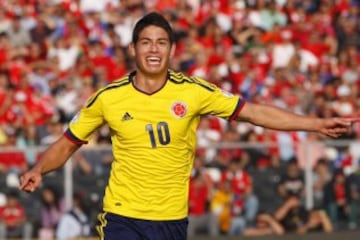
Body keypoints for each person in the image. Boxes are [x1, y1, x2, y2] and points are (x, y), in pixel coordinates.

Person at [19, 12, 358, 240]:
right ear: (133, 48)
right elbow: (67, 143)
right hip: (122, 216)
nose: (153, 49)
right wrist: (38, 167)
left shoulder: (194, 91)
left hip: (172, 221)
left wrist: (315, 123)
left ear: (172, 49)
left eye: (161, 42)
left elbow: (253, 112)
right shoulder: (108, 98)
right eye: (146, 42)